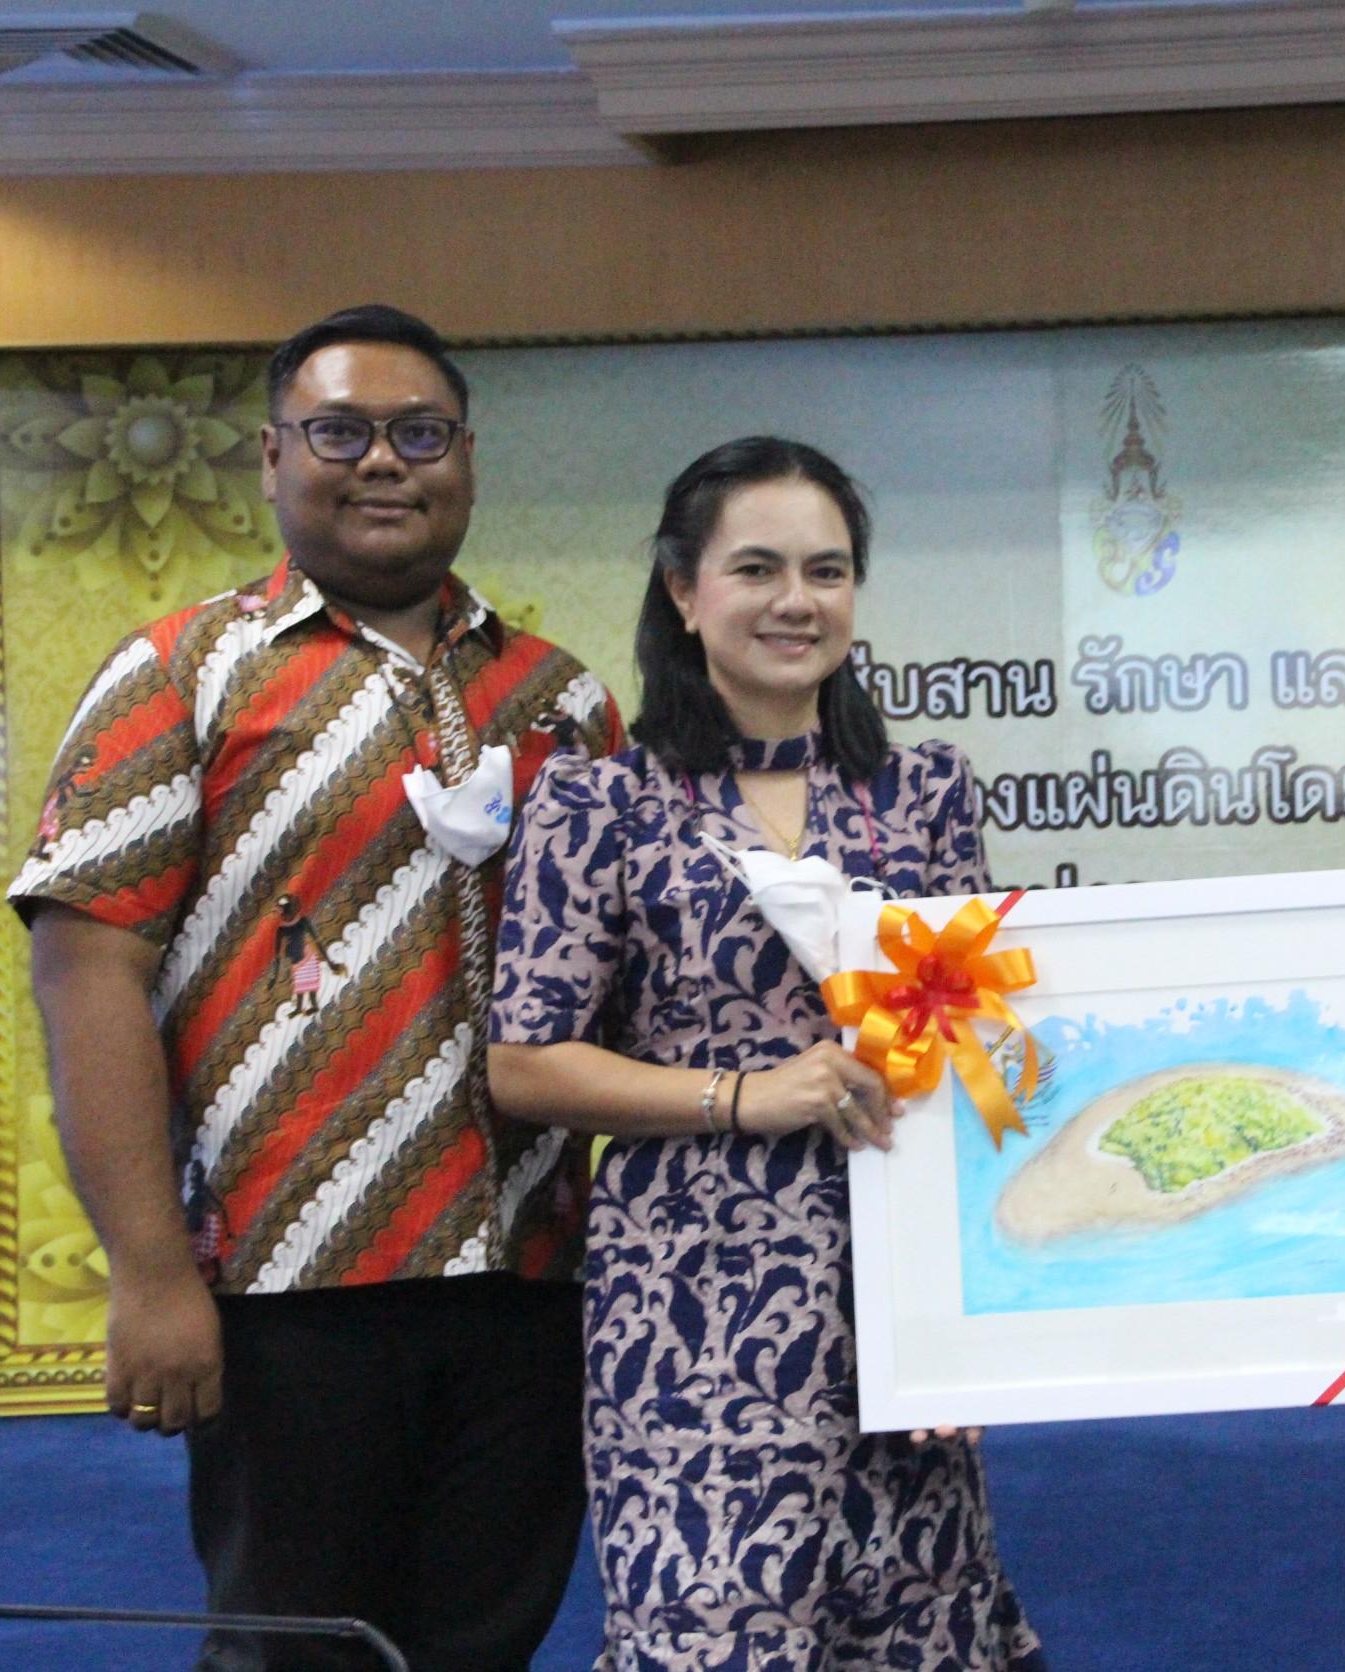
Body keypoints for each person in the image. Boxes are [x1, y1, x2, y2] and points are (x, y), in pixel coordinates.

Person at [15, 303, 623, 1671]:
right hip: (288, 1287)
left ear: (466, 458)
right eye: (340, 432)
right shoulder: (179, 674)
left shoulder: (563, 702)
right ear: (273, 456)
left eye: (420, 433)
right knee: (296, 1650)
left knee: (484, 1640)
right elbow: (86, 972)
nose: (384, 462)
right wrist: (149, 1277)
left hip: (529, 1278)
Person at [486, 436, 1046, 1671]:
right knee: (712, 1625)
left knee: (915, 1622)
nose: (797, 600)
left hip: (896, 1275)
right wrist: (743, 1095)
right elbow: (526, 1065)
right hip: (689, 1302)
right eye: (757, 568)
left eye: (827, 570)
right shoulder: (598, 803)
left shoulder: (926, 791)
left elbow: (970, 1049)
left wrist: (972, 1320)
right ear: (683, 592)